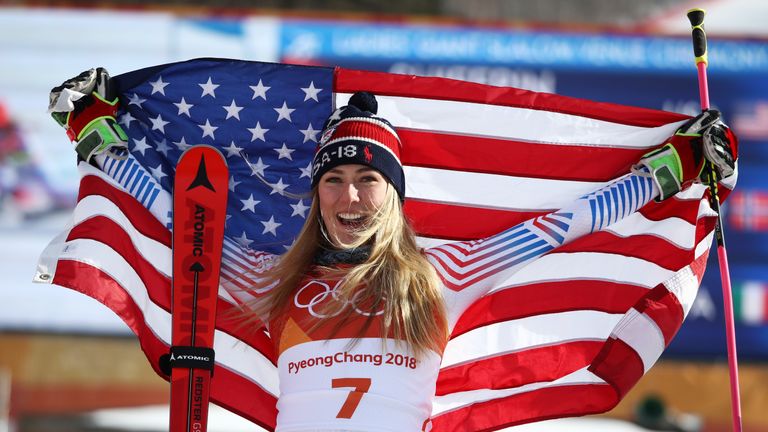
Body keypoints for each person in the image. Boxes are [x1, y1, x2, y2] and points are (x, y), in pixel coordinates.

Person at [49, 68, 737, 432]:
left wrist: (673, 168)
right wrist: (97, 135)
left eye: (368, 181)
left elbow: (564, 226)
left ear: (395, 196)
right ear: (317, 194)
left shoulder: (442, 275)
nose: (349, 197)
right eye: (334, 181)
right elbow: (181, 221)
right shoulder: (271, 280)